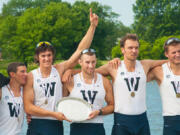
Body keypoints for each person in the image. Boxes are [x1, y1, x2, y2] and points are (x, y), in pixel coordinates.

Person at [23, 8, 98, 135]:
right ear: (37, 58)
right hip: (37, 124)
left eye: (49, 55)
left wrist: (92, 26)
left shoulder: (59, 69)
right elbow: (28, 107)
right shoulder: (31, 76)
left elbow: (80, 50)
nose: (46, 58)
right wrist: (52, 113)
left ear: (53, 56)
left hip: (56, 124)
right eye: (43, 56)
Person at [95, 33, 167, 135]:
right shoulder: (113, 67)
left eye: (136, 48)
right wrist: (68, 72)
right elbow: (90, 73)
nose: (134, 51)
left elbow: (168, 62)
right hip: (122, 121)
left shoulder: (145, 64)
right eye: (130, 48)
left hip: (142, 120)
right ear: (122, 49)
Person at [63, 48, 114, 135]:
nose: (91, 66)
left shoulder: (105, 81)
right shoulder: (70, 81)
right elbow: (61, 104)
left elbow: (112, 106)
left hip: (97, 127)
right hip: (77, 127)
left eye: (93, 62)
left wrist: (99, 112)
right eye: (87, 62)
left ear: (96, 61)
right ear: (80, 62)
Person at [147, 37, 180, 135]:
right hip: (171, 120)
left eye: (179, 51)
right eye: (173, 52)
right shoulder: (159, 71)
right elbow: (137, 74)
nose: (177, 55)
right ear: (166, 54)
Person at [0, 62, 27, 135]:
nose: (26, 74)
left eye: (26, 71)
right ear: (12, 74)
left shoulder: (25, 92)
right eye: (22, 72)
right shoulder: (2, 91)